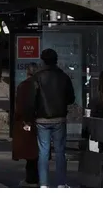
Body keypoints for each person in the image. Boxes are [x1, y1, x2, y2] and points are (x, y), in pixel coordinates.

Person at [24, 48, 76, 188]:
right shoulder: (63, 76)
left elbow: (31, 100)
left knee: (43, 152)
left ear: (42, 60)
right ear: (56, 60)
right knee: (60, 152)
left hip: (41, 119)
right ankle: (60, 183)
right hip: (59, 118)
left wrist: (30, 117)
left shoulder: (37, 77)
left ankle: (43, 184)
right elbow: (71, 98)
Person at [12, 63, 40, 187]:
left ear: (27, 73)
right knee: (38, 151)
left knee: (30, 151)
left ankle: (31, 179)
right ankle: (38, 178)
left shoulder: (23, 86)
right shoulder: (40, 85)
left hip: (27, 122)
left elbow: (19, 107)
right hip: (40, 120)